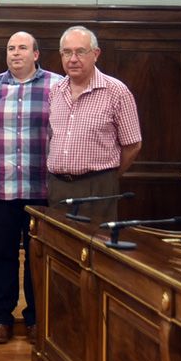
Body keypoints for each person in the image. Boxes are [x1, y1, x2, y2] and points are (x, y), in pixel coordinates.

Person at [0, 32, 63, 345]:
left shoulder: (56, 86)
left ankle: (35, 319)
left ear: (36, 54)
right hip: (2, 189)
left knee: (37, 256)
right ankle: (1, 319)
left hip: (41, 188)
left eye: (22, 48)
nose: (16, 53)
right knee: (2, 256)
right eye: (11, 48)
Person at [47, 26, 142, 221]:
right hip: (58, 187)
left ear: (96, 54)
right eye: (67, 52)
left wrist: (107, 178)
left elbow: (133, 145)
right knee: (59, 247)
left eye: (80, 52)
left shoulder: (116, 91)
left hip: (98, 186)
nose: (73, 59)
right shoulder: (56, 91)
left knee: (94, 247)